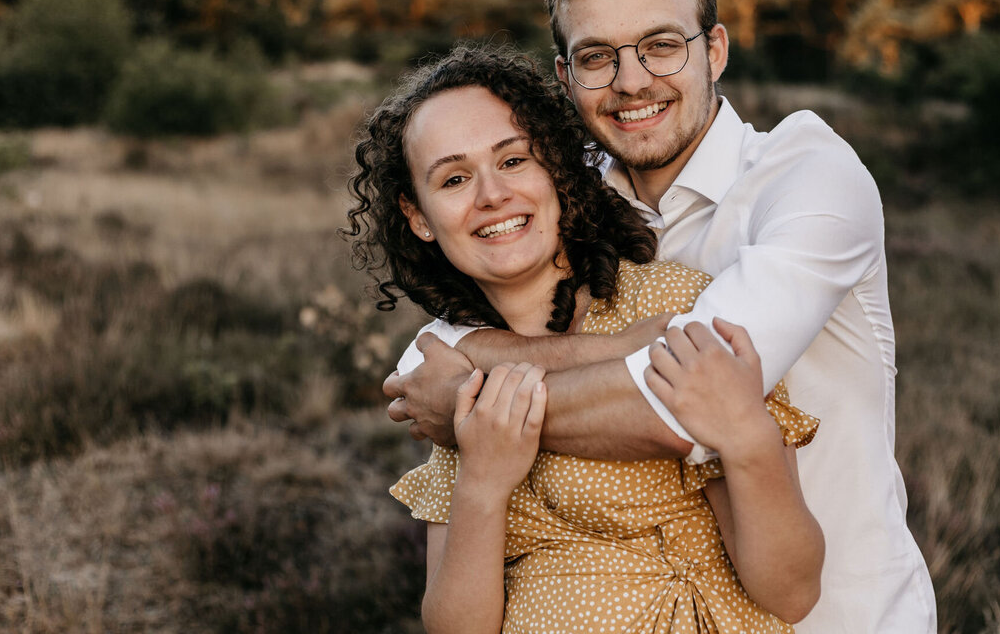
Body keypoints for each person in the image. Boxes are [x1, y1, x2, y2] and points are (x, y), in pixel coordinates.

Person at [386, 0, 937, 632]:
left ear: (714, 51)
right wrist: (475, 402)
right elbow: (430, 355)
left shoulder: (806, 173)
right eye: (597, 57)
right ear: (565, 78)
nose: (632, 80)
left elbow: (679, 403)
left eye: (661, 45)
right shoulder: (568, 199)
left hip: (841, 615)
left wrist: (477, 406)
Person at [347, 44, 824, 633]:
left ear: (557, 167)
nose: (492, 195)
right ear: (418, 215)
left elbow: (793, 592)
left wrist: (748, 436)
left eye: (515, 161)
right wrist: (482, 483)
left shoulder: (675, 307)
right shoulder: (452, 375)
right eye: (453, 178)